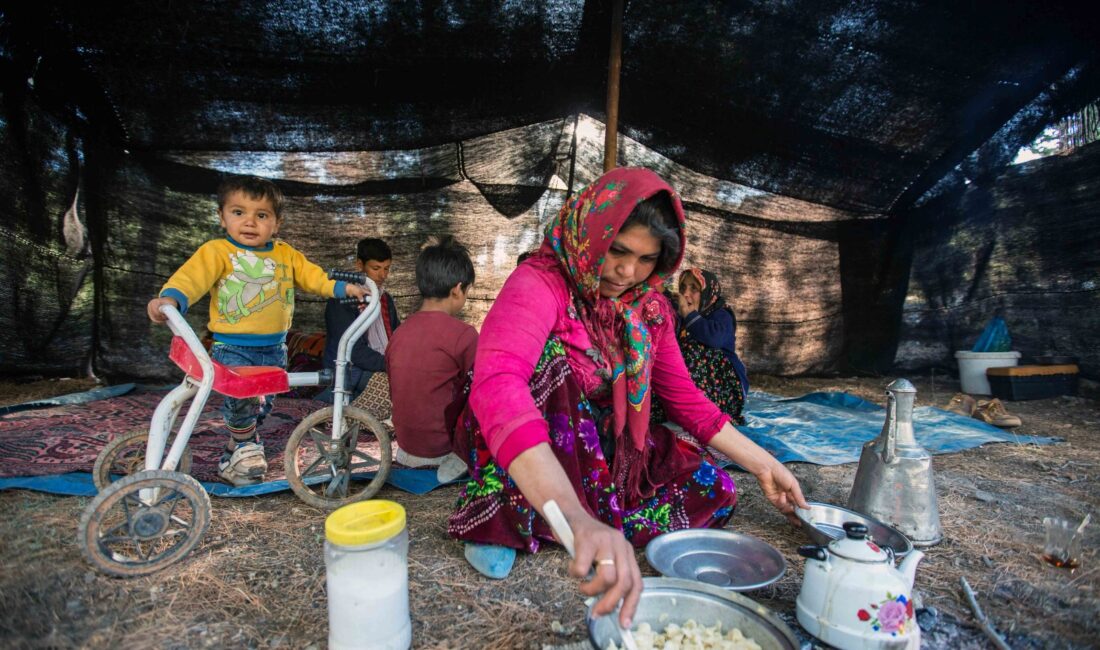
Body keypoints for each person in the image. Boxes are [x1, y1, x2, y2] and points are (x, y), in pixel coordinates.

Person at [446, 167, 808, 628]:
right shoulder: (541, 282)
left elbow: (686, 401)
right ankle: (517, 512)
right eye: (616, 250)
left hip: (591, 446)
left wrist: (766, 465)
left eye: (646, 259)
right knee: (548, 363)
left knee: (713, 488)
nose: (627, 271)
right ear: (591, 233)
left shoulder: (651, 308)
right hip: (528, 434)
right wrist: (574, 515)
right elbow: (498, 385)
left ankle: (582, 519)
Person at [147, 176, 367, 486]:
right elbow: (190, 279)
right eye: (239, 213)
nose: (250, 222)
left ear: (276, 223)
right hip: (232, 346)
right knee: (242, 402)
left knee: (263, 403)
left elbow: (313, 276)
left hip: (275, 347)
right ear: (222, 217)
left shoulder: (285, 254)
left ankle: (235, 450)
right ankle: (245, 446)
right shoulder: (217, 251)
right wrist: (170, 299)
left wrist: (341, 287)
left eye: (261, 215)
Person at [385, 236, 478, 482]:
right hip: (442, 451)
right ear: (458, 289)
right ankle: (460, 458)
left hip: (406, 450)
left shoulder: (399, 333)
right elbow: (482, 390)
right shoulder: (464, 335)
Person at [319, 238, 401, 408]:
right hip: (353, 370)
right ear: (359, 265)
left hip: (383, 365)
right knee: (396, 388)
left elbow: (397, 336)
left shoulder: (385, 300)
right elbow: (353, 350)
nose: (382, 275)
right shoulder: (342, 300)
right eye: (376, 268)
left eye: (387, 269)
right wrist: (390, 364)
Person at [674, 268, 750, 423]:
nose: (686, 294)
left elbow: (714, 339)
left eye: (694, 288)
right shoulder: (681, 318)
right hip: (700, 388)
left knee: (695, 350)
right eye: (683, 288)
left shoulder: (721, 314)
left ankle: (707, 413)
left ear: (708, 292)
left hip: (727, 387)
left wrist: (689, 315)